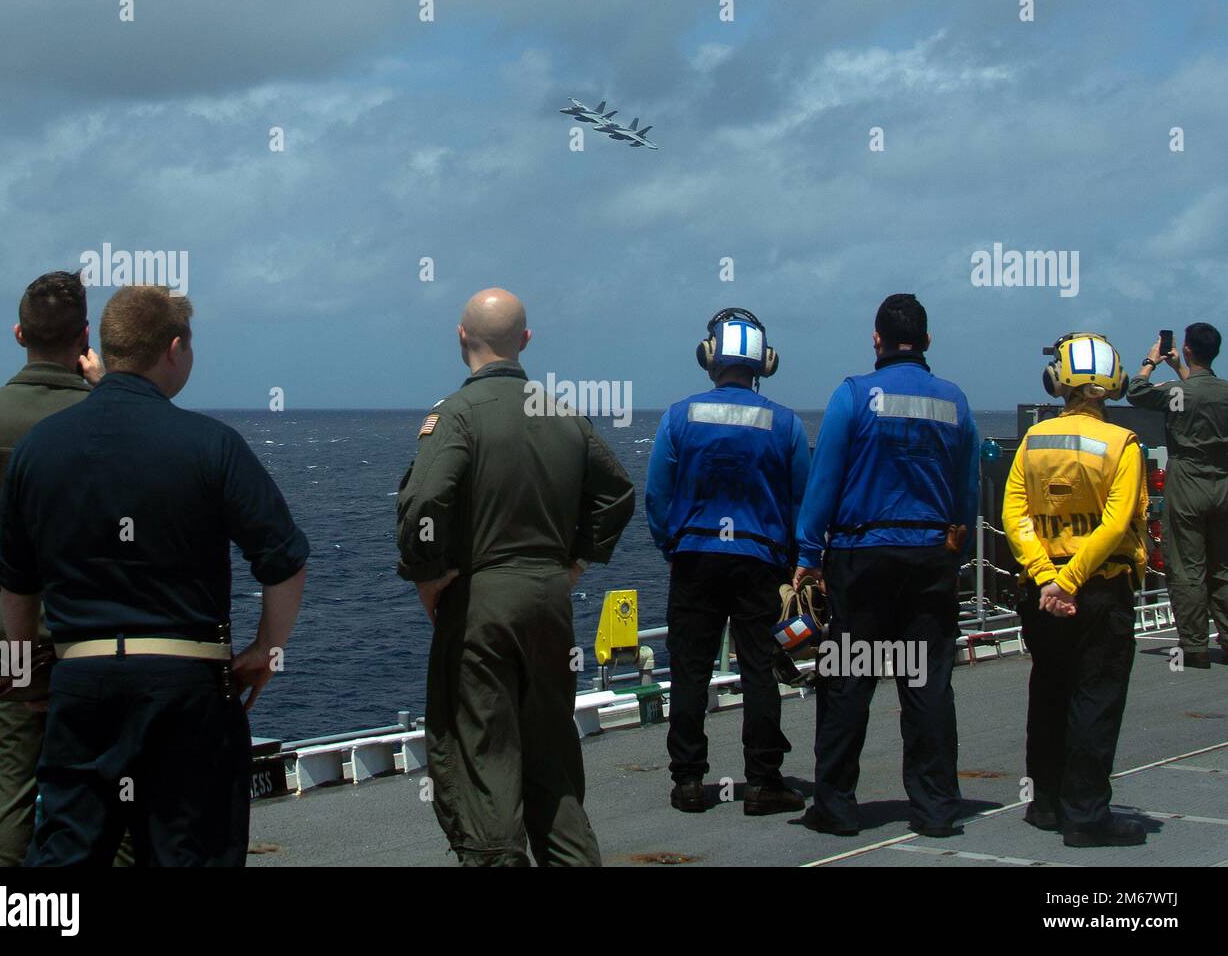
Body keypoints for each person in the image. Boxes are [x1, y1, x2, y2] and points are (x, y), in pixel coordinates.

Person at [0, 286, 309, 866]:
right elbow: (284, 560)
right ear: (173, 348)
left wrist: (24, 668)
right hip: (186, 687)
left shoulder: (39, 449)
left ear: (107, 348)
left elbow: (15, 581)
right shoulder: (211, 445)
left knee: (63, 863)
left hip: (83, 684)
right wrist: (267, 648)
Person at [396, 287, 634, 867]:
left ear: (461, 338)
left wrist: (430, 576)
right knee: (553, 760)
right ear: (525, 342)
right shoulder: (561, 413)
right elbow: (616, 494)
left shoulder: (455, 414)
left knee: (482, 759)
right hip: (549, 602)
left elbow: (425, 499)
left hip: (480, 602)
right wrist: (575, 563)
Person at [794, 293, 978, 838]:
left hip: (861, 558)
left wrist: (807, 556)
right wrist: (955, 555)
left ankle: (836, 807)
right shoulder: (956, 403)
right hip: (930, 560)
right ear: (926, 342)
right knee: (926, 686)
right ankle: (938, 809)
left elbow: (823, 482)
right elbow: (966, 494)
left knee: (847, 681)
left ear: (876, 340)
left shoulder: (853, 396)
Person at [0, 272, 103, 866]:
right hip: (91, 621)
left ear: (18, 334)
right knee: (105, 787)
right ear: (85, 336)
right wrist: (105, 389)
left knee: (5, 806)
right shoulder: (104, 415)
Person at [644, 307, 810, 816]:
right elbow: (802, 500)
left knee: (690, 672)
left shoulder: (679, 416)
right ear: (765, 363)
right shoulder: (785, 424)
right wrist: (800, 560)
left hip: (694, 559)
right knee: (761, 669)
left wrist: (673, 546)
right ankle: (762, 782)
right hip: (760, 564)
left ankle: (689, 782)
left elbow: (657, 496)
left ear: (708, 357)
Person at [1003, 331, 1148, 847]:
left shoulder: (1033, 440)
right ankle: (1086, 815)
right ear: (1115, 384)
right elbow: (1115, 524)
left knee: (1048, 691)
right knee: (1095, 696)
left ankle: (1045, 804)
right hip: (1099, 590)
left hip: (1042, 593)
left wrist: (1046, 577)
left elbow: (1013, 516)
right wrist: (1069, 581)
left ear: (1055, 382)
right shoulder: (1122, 445)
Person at [1127, 323, 1228, 669]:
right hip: (1224, 483)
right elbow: (1199, 392)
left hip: (1187, 482)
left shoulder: (1178, 392)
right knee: (1223, 567)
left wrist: (1151, 360)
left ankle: (1194, 647)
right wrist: (1180, 369)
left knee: (1187, 567)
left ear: (1187, 349)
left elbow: (1136, 391)